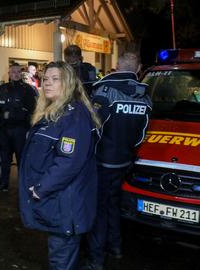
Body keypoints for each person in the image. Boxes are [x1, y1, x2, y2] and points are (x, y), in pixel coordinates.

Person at [19, 61, 101, 270]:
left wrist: (40, 188)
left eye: (56, 79)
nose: (48, 83)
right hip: (57, 203)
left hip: (65, 205)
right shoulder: (55, 111)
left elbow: (69, 162)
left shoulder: (74, 115)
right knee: (60, 257)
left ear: (69, 84)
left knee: (61, 261)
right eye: (46, 79)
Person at [84, 52, 151, 270]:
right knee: (112, 203)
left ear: (116, 66)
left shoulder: (105, 91)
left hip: (103, 161)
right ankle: (116, 247)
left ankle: (96, 259)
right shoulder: (145, 96)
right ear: (138, 68)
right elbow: (142, 135)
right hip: (124, 161)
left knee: (99, 208)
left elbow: (94, 129)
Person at [0, 63, 36, 193]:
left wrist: (31, 129)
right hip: (4, 130)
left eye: (18, 72)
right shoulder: (1, 89)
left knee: (22, 159)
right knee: (4, 159)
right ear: (8, 73)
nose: (16, 74)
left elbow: (35, 111)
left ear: (21, 74)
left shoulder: (28, 90)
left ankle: (24, 187)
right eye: (13, 72)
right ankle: (3, 184)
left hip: (21, 130)